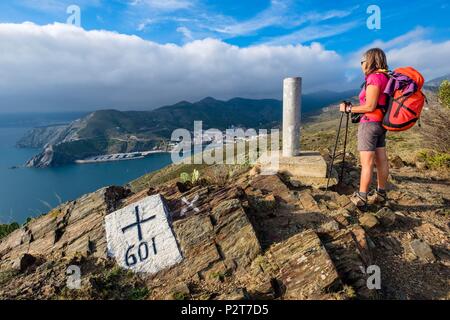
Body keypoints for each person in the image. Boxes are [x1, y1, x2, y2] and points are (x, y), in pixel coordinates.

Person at [339, 48, 390, 207]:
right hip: (381, 124)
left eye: (363, 60)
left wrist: (348, 109)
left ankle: (361, 198)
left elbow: (369, 106)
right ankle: (381, 194)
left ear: (370, 61)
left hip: (369, 124)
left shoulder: (374, 78)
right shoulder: (386, 77)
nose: (361, 64)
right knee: (381, 160)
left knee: (367, 164)